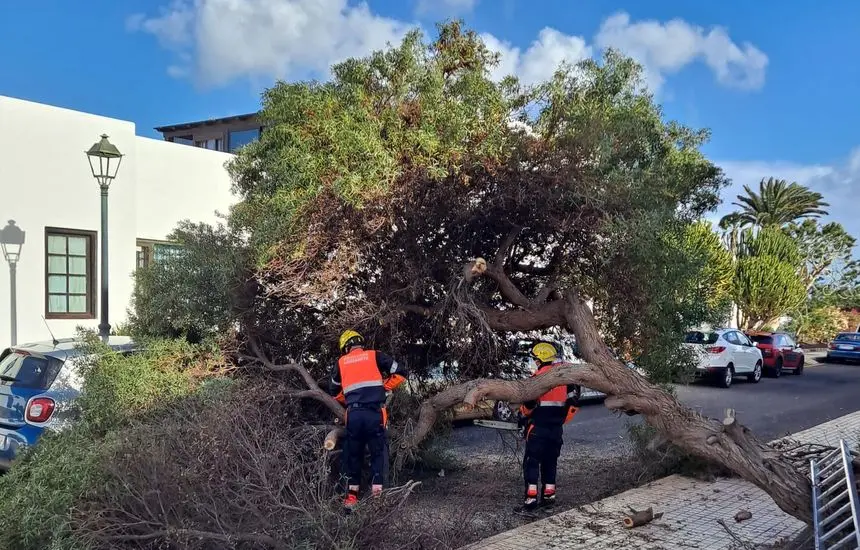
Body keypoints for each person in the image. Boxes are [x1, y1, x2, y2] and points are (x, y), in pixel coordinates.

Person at [329, 329, 407, 511]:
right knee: (378, 453)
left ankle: (351, 498)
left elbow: (334, 391)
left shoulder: (341, 363)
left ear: (346, 347)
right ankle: (378, 497)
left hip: (354, 414)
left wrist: (349, 397)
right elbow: (401, 372)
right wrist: (383, 387)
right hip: (375, 413)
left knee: (353, 454)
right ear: (360, 343)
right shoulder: (375, 355)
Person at [518, 341, 579, 510]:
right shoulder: (565, 380)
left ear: (539, 360)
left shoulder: (537, 379)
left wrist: (522, 415)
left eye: (535, 359)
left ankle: (530, 502)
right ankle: (549, 498)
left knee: (531, 464)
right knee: (550, 463)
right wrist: (560, 421)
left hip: (538, 429)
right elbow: (573, 404)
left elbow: (528, 406)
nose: (534, 362)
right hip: (556, 430)